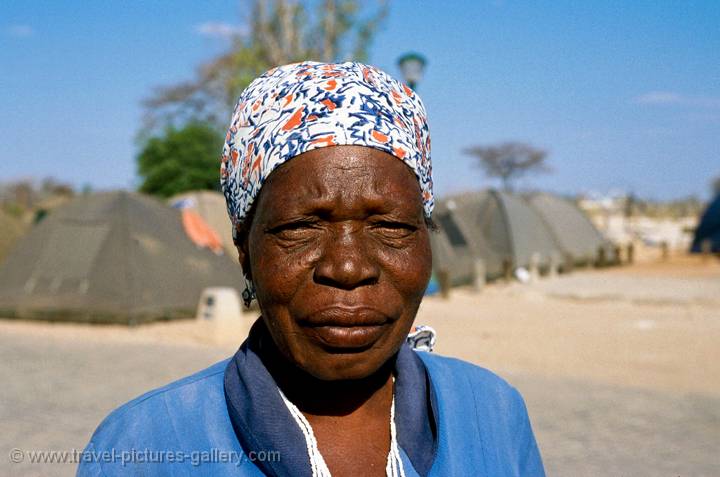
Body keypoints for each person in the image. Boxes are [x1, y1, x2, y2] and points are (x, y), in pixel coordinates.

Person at [78, 61, 545, 476]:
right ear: (244, 249)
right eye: (301, 227)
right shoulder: (143, 446)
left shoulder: (493, 414)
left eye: (390, 226)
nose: (347, 267)